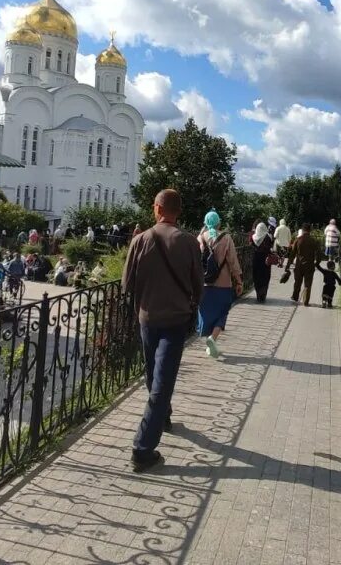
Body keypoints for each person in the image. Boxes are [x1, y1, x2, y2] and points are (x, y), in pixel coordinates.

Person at [122, 189, 203, 473]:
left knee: (152, 375)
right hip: (176, 320)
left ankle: (144, 444)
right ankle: (146, 444)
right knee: (162, 380)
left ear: (156, 209)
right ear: (178, 212)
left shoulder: (140, 240)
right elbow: (198, 286)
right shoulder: (190, 242)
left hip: (147, 317)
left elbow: (127, 285)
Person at [197, 210, 243, 358]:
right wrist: (239, 281)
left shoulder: (200, 238)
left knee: (207, 312)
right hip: (223, 284)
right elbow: (233, 262)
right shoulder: (227, 238)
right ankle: (213, 338)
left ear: (205, 222)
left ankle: (210, 343)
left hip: (204, 283)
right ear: (219, 223)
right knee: (223, 312)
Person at [286, 222, 320, 306]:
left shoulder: (298, 240)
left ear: (303, 229)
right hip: (309, 265)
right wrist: (317, 263)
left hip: (299, 264)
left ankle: (295, 297)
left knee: (297, 281)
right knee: (308, 284)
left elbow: (292, 254)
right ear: (310, 230)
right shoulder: (313, 240)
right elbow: (319, 253)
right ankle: (306, 301)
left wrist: (288, 265)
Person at [250, 221, 274, 304]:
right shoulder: (268, 237)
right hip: (266, 259)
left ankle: (258, 294)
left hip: (256, 258)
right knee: (265, 276)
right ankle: (263, 294)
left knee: (256, 276)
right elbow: (271, 246)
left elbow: (250, 244)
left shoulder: (253, 237)